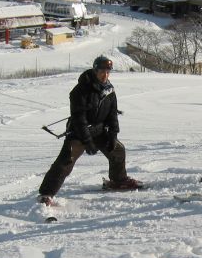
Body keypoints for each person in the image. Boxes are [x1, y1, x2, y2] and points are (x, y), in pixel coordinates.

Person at [38, 56, 140, 205]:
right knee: (66, 161)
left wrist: (113, 135)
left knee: (118, 150)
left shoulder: (109, 90)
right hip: (79, 132)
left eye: (108, 72)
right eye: (102, 72)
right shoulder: (80, 90)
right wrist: (87, 142)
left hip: (99, 130)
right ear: (95, 71)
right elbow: (79, 119)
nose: (105, 75)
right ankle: (46, 194)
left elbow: (112, 115)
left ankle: (118, 180)